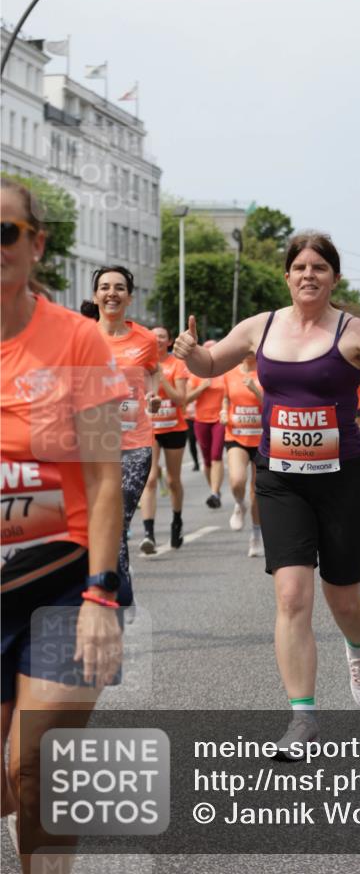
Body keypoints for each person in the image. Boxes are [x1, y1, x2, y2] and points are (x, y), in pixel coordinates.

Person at [173, 230, 360, 755]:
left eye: (319, 267)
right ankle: (303, 718)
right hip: (282, 477)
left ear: (334, 277)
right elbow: (208, 365)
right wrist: (190, 353)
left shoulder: (354, 332)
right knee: (292, 596)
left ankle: (359, 649)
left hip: (341, 479)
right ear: (287, 275)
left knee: (344, 599)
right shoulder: (260, 328)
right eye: (300, 267)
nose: (308, 274)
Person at [1, 178, 125, 870]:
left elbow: (105, 475)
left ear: (35, 244)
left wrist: (101, 597)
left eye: (6, 233)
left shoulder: (77, 340)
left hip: (63, 584)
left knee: (35, 770)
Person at [81, 266, 160, 605]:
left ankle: (115, 594)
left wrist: (153, 394)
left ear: (129, 296)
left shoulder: (145, 339)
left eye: (118, 288)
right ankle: (116, 588)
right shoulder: (81, 336)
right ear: (96, 295)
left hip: (134, 445)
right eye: (104, 287)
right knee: (96, 521)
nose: (111, 293)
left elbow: (153, 372)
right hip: (92, 446)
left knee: (117, 518)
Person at [139, 328, 189, 554]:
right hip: (149, 429)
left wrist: (161, 378)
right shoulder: (140, 364)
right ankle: (148, 533)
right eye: (153, 336)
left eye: (161, 336)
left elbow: (181, 399)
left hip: (174, 428)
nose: (157, 339)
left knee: (172, 481)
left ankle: (177, 521)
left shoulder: (177, 364)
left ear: (168, 341)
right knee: (149, 479)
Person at [221, 351, 264, 556]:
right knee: (237, 481)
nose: (249, 352)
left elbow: (273, 404)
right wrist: (223, 411)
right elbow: (225, 398)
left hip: (262, 438)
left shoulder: (267, 372)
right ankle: (239, 505)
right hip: (236, 435)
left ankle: (256, 535)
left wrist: (255, 390)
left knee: (256, 491)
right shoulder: (230, 374)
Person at [186, 341, 227, 509]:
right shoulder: (196, 374)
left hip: (220, 419)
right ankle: (214, 489)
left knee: (216, 454)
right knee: (207, 460)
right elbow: (186, 399)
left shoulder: (226, 372)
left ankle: (214, 493)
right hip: (201, 419)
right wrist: (202, 387)